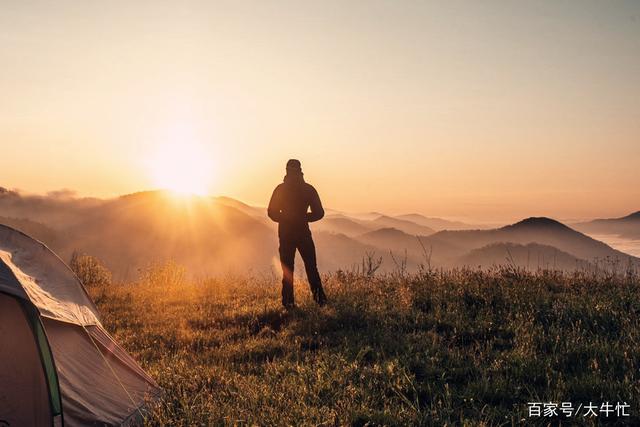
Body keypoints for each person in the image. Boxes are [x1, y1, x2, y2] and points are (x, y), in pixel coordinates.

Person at [268, 159, 328, 308]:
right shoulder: (308, 189)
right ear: (300, 170)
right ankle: (320, 301)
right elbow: (319, 213)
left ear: (286, 170)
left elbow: (271, 212)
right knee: (311, 267)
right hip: (303, 233)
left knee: (287, 270)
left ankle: (288, 303)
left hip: (286, 234)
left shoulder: (280, 189)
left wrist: (286, 218)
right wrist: (303, 217)